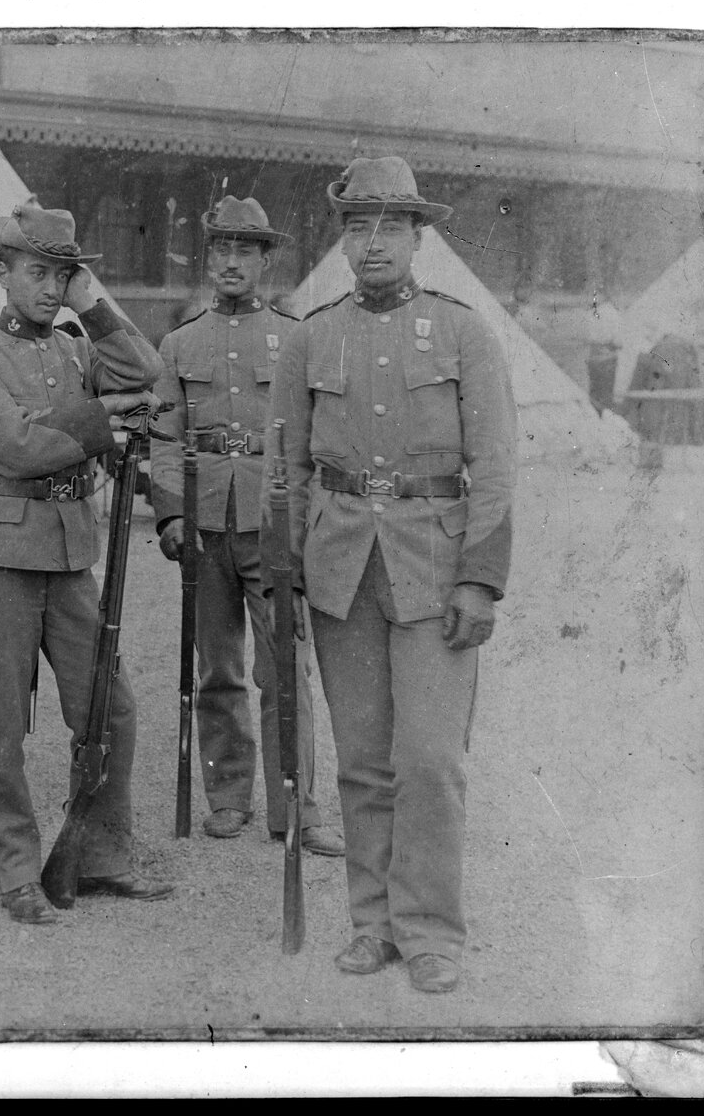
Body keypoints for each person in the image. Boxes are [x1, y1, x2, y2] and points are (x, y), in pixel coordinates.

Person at [272, 157, 517, 994]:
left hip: (434, 568)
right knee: (361, 760)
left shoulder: (461, 331)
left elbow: (495, 465)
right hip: (340, 570)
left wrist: (479, 578)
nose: (371, 243)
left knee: (430, 760)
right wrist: (285, 569)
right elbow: (286, 467)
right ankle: (371, 924)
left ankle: (431, 931)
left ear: (418, 237)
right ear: (341, 240)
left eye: (389, 227)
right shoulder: (310, 335)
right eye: (356, 226)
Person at [0, 204, 173, 925]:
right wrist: (107, 417)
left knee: (111, 709)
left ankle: (100, 854)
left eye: (61, 275)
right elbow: (15, 447)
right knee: (2, 725)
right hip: (2, 556)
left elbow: (147, 371)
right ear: (3, 273)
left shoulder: (77, 350)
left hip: (72, 554)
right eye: (37, 272)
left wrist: (90, 303)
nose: (49, 288)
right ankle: (15, 872)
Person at [149, 195, 345, 856]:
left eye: (244, 250)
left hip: (273, 519)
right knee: (218, 668)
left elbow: (316, 437)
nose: (231, 262)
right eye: (221, 250)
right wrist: (171, 513)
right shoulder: (179, 343)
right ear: (208, 260)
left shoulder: (295, 337)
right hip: (205, 521)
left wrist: (306, 520)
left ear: (265, 261)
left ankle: (297, 806)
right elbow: (165, 439)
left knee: (284, 665)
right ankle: (228, 796)